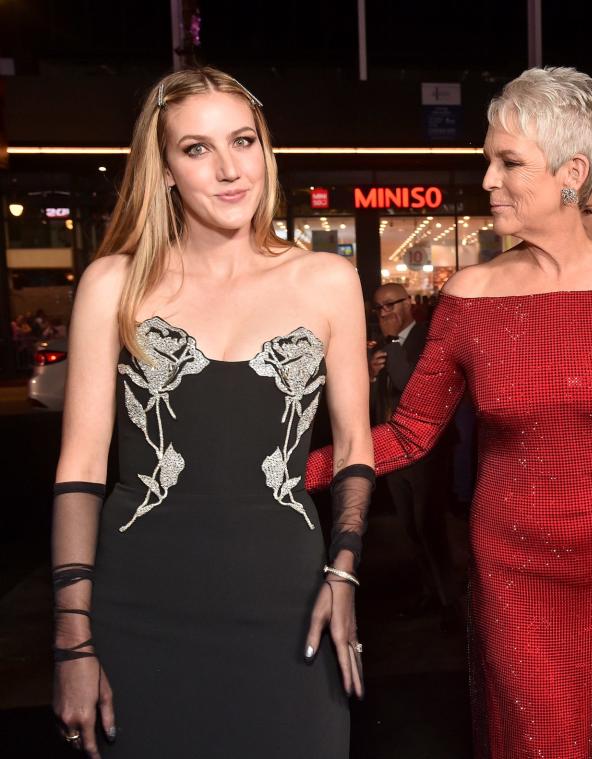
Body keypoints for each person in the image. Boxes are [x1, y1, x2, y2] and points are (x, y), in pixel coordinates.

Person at [307, 66, 592, 758]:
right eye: (489, 161)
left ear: (571, 172)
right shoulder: (470, 296)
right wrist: (289, 470)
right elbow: (409, 432)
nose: (489, 179)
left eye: (508, 162)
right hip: (514, 567)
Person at [50, 67, 373, 758]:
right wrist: (72, 640)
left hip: (290, 607)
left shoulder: (326, 280)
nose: (230, 169)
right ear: (163, 169)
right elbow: (79, 468)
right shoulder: (114, 284)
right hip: (142, 607)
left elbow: (352, 445)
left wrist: (342, 570)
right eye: (196, 149)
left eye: (243, 141)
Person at [368, 283, 455, 617]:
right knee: (410, 529)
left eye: (390, 305)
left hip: (426, 452)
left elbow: (412, 388)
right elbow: (376, 400)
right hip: (392, 449)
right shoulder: (382, 347)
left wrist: (390, 349)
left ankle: (449, 602)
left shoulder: (426, 341)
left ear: (409, 305)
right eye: (379, 308)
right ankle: (429, 592)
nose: (384, 313)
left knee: (429, 527)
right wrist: (372, 376)